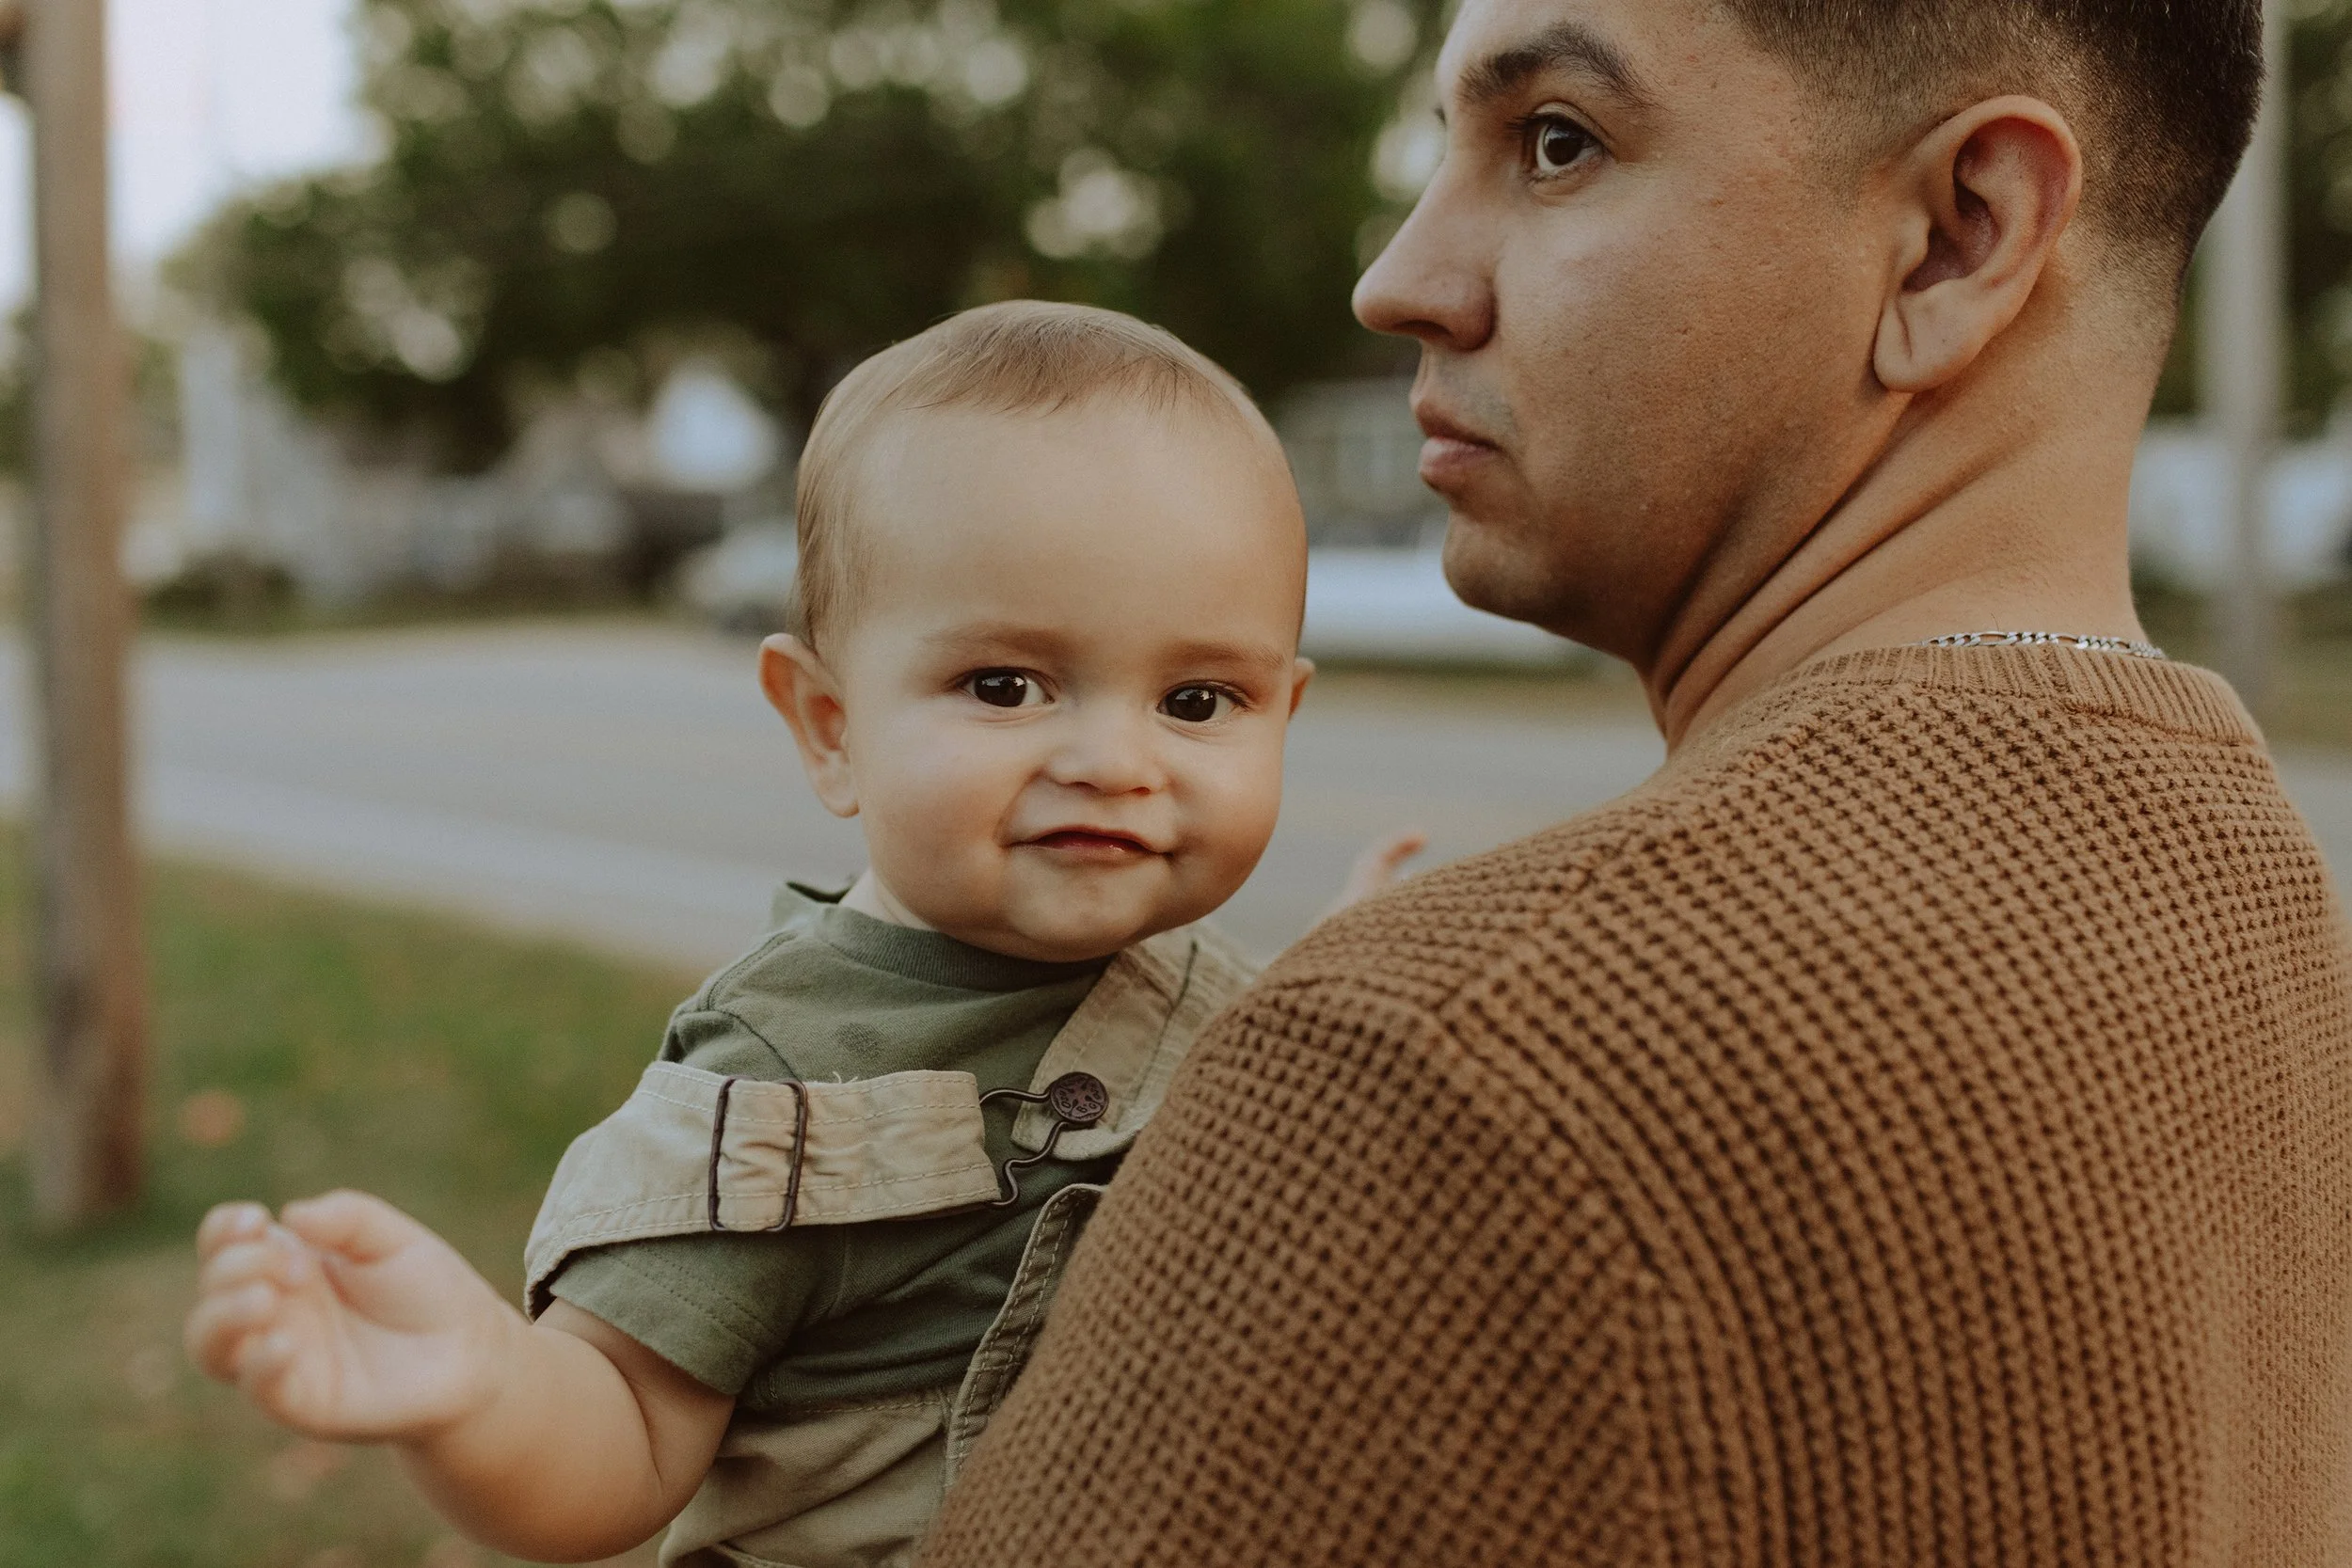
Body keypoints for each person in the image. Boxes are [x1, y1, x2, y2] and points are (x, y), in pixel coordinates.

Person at [920, 2, 2352, 1565]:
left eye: (1557, 142)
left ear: (1958, 237)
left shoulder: (1455, 1070)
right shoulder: (2261, 903)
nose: (1398, 281)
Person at [182, 302, 1413, 1566]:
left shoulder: (1212, 985)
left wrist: (1329, 972)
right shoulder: (777, 1089)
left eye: (1197, 700)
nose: (1112, 760)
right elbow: (620, 1443)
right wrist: (480, 1389)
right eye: (1004, 685)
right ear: (830, 726)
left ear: (1284, 712)